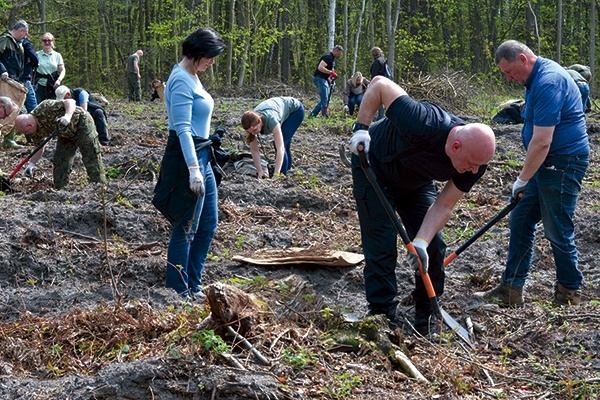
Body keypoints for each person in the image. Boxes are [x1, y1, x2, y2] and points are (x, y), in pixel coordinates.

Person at [347, 76, 496, 334]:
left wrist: (422, 241)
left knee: (434, 245)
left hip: (416, 183)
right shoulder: (423, 121)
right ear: (456, 146)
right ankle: (382, 314)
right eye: (470, 164)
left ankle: (427, 315)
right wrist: (361, 128)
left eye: (478, 167)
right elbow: (380, 85)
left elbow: (445, 205)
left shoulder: (474, 164)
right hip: (374, 168)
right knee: (381, 242)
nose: (473, 171)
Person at [475, 40, 589, 307]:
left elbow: (542, 141)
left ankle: (570, 292)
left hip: (562, 162)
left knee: (557, 228)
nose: (508, 77)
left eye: (509, 71)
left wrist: (522, 179)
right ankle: (511, 289)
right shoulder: (534, 80)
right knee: (521, 220)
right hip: (544, 163)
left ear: (523, 60)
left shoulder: (549, 81)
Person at [152, 28, 225, 300]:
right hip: (188, 158)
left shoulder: (193, 76)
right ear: (196, 54)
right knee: (185, 227)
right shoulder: (181, 79)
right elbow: (182, 128)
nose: (212, 62)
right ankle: (177, 291)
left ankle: (193, 285)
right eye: (210, 56)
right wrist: (193, 168)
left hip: (202, 154)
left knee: (207, 224)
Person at [14, 98, 106, 188]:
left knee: (90, 153)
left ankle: (100, 186)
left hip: (81, 122)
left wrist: (67, 116)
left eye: (26, 132)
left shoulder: (45, 107)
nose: (27, 134)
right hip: (65, 134)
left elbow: (70, 101)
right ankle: (61, 188)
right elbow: (39, 147)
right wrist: (31, 164)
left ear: (30, 125)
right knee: (60, 160)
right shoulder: (34, 131)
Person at [241, 96, 304, 178]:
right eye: (250, 132)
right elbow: (254, 150)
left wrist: (276, 175)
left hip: (295, 111)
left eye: (255, 130)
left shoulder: (272, 120)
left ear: (260, 121)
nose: (253, 133)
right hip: (278, 108)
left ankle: (282, 174)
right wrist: (260, 171)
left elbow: (280, 148)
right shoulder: (249, 125)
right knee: (285, 142)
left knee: (282, 143)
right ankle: (286, 169)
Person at [0, 20, 29, 148]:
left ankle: (9, 138)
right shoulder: (5, 40)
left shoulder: (17, 44)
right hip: (5, 79)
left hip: (13, 80)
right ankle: (7, 139)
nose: (25, 37)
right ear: (21, 30)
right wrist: (2, 70)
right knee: (7, 108)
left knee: (15, 108)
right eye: (25, 33)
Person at [309, 45, 343, 118]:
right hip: (319, 78)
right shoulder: (328, 57)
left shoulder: (331, 58)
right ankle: (324, 116)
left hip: (323, 78)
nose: (339, 55)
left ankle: (312, 115)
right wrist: (330, 72)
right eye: (338, 53)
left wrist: (328, 77)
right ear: (335, 51)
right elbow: (320, 67)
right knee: (325, 99)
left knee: (325, 98)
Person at [34, 32, 65, 103]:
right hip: (39, 85)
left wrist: (59, 80)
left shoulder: (57, 55)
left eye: (49, 40)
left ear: (52, 41)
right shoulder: (36, 54)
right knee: (37, 107)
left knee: (52, 107)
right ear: (41, 42)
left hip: (53, 85)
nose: (47, 42)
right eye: (44, 40)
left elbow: (62, 70)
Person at [370, 46, 390, 121]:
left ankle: (380, 116)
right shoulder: (383, 60)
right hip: (385, 82)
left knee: (379, 100)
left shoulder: (377, 62)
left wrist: (371, 84)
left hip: (379, 83)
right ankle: (382, 115)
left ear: (373, 54)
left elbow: (374, 75)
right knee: (382, 99)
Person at [20, 34, 38, 112]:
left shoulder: (12, 44)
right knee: (33, 108)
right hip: (24, 79)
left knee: (16, 107)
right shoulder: (25, 44)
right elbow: (35, 58)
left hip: (14, 79)